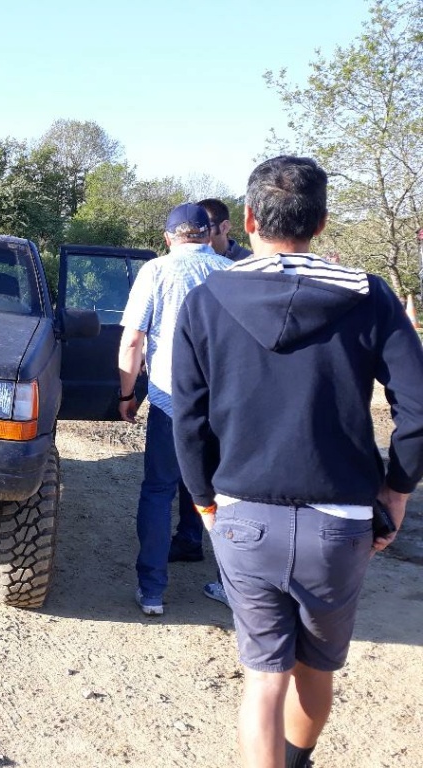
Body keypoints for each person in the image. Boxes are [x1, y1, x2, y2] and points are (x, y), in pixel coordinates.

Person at [172, 155, 423, 768]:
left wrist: (204, 497)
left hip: (242, 513)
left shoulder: (206, 300)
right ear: (322, 222)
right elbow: (417, 409)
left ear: (250, 217)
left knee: (263, 678)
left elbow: (188, 419)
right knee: (315, 668)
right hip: (339, 522)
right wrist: (396, 491)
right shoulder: (370, 298)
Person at [118, 203, 233, 616]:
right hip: (224, 405)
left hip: (170, 400)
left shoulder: (155, 271)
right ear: (208, 233)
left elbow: (133, 341)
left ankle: (152, 592)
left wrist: (127, 394)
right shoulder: (231, 273)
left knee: (157, 490)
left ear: (168, 237)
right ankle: (230, 585)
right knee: (223, 494)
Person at [169, 197, 254, 607]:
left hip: (223, 397)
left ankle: (234, 577)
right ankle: (190, 540)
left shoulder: (246, 269)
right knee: (195, 475)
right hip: (206, 390)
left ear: (222, 228)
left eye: (208, 229)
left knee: (225, 485)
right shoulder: (230, 269)